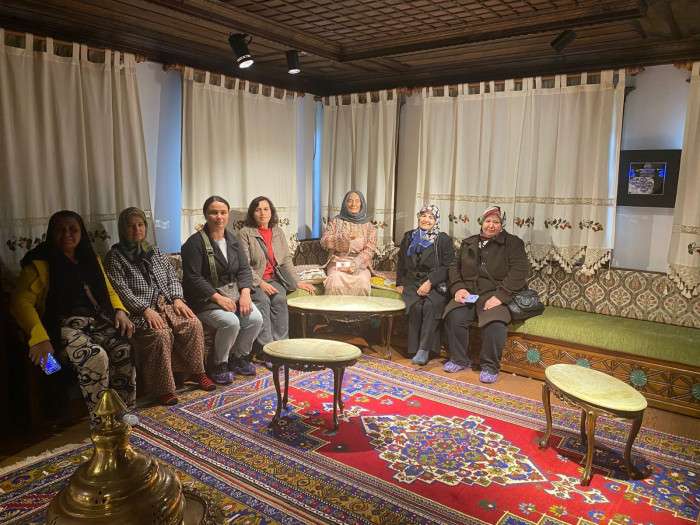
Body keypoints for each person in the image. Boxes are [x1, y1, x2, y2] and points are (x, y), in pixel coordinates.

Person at [10, 210, 136, 423]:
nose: (67, 234)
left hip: (97, 321)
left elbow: (108, 290)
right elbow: (20, 302)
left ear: (81, 233)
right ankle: (101, 419)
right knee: (96, 356)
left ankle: (123, 409)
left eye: (73, 229)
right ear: (51, 233)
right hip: (60, 326)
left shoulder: (91, 258)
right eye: (61, 230)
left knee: (124, 347)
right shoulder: (39, 263)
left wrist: (120, 310)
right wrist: (39, 338)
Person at [105, 207, 215, 406]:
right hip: (140, 311)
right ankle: (163, 389)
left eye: (140, 225)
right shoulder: (115, 257)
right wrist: (144, 309)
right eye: (131, 226)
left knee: (193, 323)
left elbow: (172, 277)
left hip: (167, 304)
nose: (136, 230)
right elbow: (120, 289)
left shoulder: (154, 251)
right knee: (160, 335)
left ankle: (198, 372)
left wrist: (177, 299)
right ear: (122, 229)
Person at [181, 196, 263, 384]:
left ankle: (239, 358)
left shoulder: (233, 240)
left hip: (233, 294)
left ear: (228, 215)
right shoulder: (194, 244)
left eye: (223, 212)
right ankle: (219, 364)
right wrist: (218, 298)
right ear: (206, 215)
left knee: (255, 319)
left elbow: (244, 269)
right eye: (214, 212)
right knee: (230, 322)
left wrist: (245, 293)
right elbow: (193, 278)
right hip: (205, 299)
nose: (219, 217)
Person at [443, 206, 529, 383]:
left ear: (502, 224)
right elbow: (454, 267)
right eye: (488, 221)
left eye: (496, 222)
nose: (491, 225)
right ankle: (459, 359)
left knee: (495, 323)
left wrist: (500, 297)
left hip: (496, 293)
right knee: (454, 315)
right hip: (469, 292)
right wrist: (458, 288)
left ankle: (490, 366)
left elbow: (519, 272)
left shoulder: (513, 243)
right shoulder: (469, 242)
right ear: (482, 223)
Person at [238, 196, 316, 349]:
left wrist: (297, 281)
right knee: (263, 301)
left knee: (280, 299)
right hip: (254, 281)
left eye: (266, 209)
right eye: (258, 210)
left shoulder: (277, 232)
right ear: (252, 213)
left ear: (271, 212)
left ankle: (282, 345)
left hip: (274, 279)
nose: (262, 213)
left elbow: (286, 259)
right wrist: (261, 283)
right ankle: (267, 347)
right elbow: (244, 265)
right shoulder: (245, 233)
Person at [396, 205, 454, 366]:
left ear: (436, 221)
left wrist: (430, 282)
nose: (426, 220)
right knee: (415, 307)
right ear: (418, 217)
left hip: (436, 282)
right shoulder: (409, 236)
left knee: (429, 306)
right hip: (412, 283)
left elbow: (448, 266)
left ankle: (424, 349)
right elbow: (401, 261)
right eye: (423, 216)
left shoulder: (442, 239)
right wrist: (400, 283)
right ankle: (413, 349)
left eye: (431, 217)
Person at [320, 190, 377, 296]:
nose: (353, 204)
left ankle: (359, 308)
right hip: (338, 262)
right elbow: (324, 241)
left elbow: (370, 250)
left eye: (357, 201)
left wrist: (355, 263)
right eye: (350, 201)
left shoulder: (369, 226)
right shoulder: (335, 221)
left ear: (362, 204)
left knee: (363, 281)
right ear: (345, 204)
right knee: (335, 280)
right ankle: (334, 307)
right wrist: (343, 238)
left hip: (360, 264)